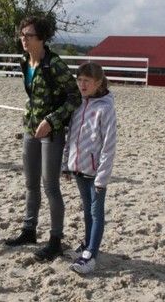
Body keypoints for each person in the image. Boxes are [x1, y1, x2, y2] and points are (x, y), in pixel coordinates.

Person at [5, 16, 82, 261]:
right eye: (22, 35)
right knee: (30, 183)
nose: (23, 39)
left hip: (52, 132)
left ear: (42, 38)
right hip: (30, 128)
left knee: (50, 186)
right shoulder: (24, 62)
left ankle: (55, 240)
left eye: (29, 35)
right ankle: (29, 230)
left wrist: (51, 120)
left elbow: (75, 97)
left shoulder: (54, 64)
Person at [62, 62, 117, 274]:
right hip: (79, 168)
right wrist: (67, 164)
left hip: (96, 173)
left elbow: (109, 146)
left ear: (98, 82)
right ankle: (86, 245)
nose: (82, 85)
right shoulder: (78, 105)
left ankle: (91, 255)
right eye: (79, 80)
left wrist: (102, 178)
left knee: (96, 213)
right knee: (87, 210)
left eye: (87, 81)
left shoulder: (105, 109)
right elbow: (71, 136)